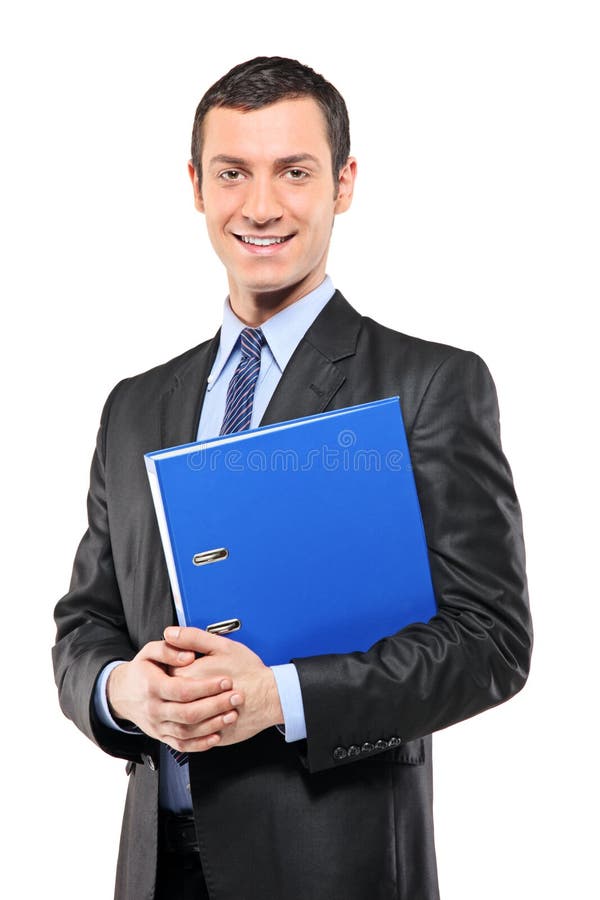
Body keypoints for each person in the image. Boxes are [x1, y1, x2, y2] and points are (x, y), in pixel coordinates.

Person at [52, 56, 533, 900]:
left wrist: (281, 697)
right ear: (197, 186)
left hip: (331, 867)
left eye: (295, 172)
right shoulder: (132, 407)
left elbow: (491, 641)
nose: (262, 206)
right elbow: (87, 620)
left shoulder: (427, 386)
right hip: (156, 867)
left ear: (343, 185)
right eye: (233, 173)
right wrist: (119, 690)